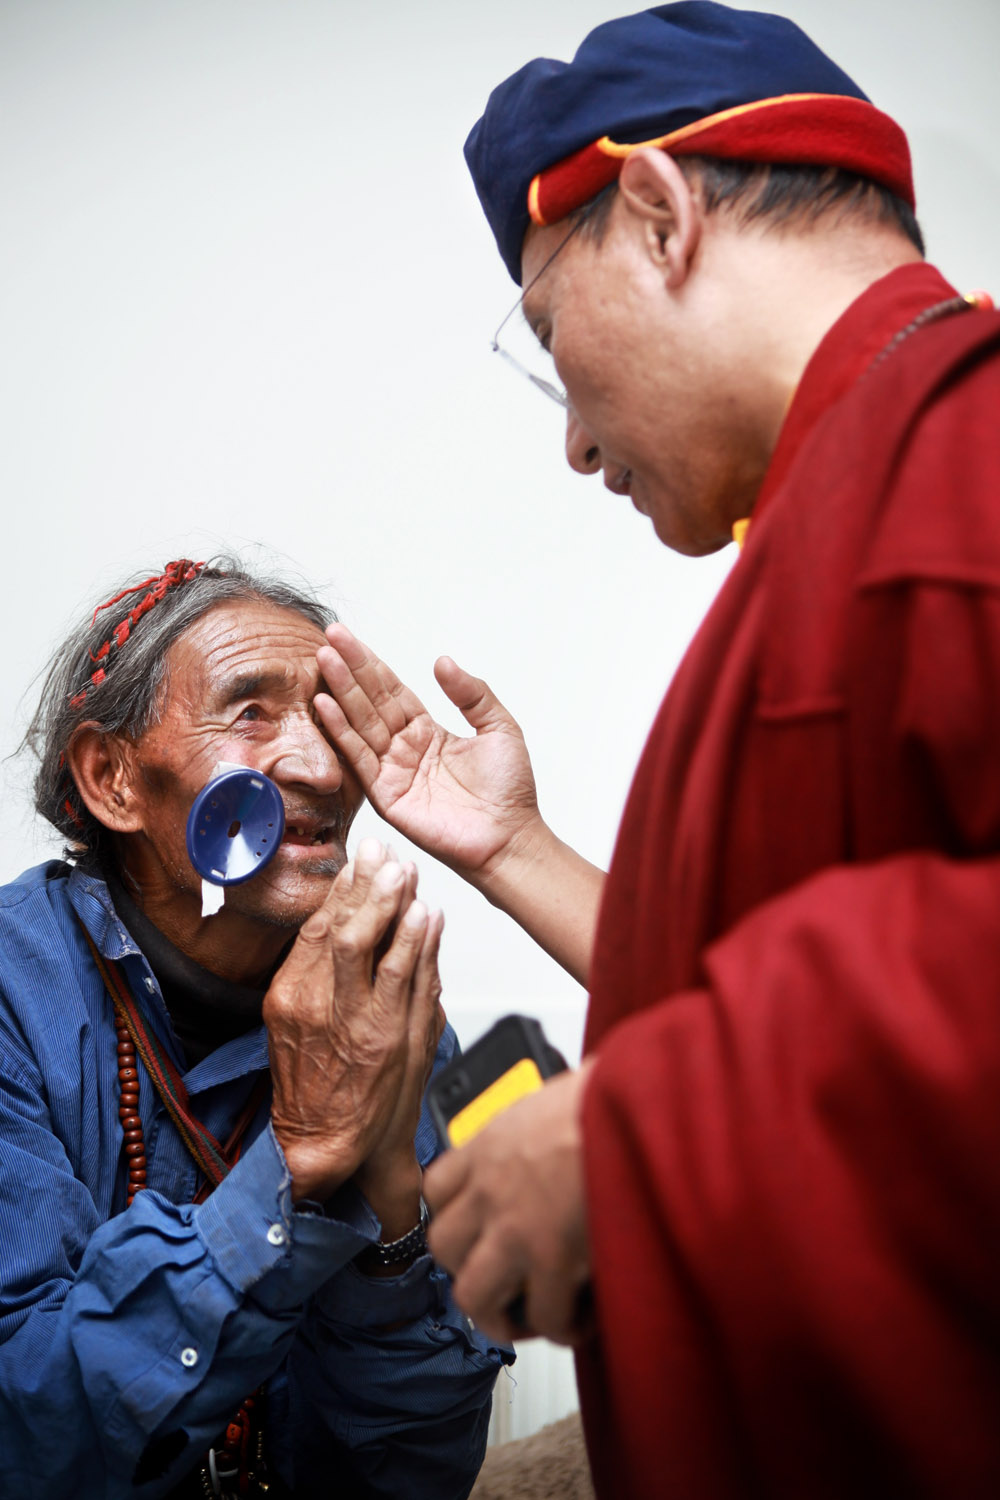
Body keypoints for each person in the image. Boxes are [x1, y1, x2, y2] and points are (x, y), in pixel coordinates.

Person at [312, 4, 1000, 1496]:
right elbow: (794, 970)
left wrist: (638, 1131)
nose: (569, 441)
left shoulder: (963, 454)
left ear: (658, 209)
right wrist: (516, 852)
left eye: (550, 337)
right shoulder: (831, 522)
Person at [0, 556, 507, 1500]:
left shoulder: (381, 1009)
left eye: (325, 717)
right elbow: (32, 1438)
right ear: (112, 778)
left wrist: (391, 1214)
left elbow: (413, 1476)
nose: (320, 768)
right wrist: (301, 1160)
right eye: (248, 714)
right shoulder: (11, 995)